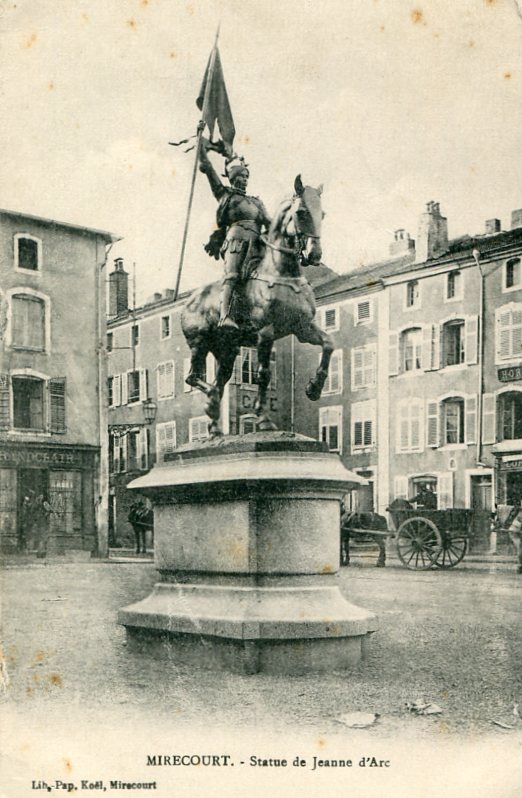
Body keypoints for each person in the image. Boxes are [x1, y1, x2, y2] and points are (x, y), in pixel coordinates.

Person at [198, 133, 271, 329]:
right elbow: (207, 168)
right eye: (240, 176)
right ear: (232, 178)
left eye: (246, 177)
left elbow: (270, 224)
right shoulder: (225, 196)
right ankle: (225, 315)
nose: (244, 180)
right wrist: (201, 142)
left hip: (258, 242)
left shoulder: (256, 202)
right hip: (236, 241)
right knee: (232, 275)